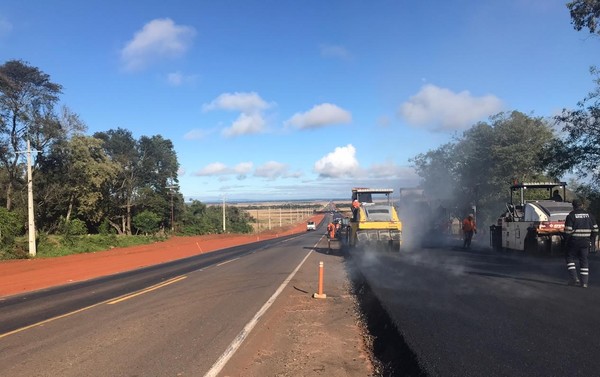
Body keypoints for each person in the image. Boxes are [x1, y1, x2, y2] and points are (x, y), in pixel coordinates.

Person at [563, 199, 598, 288]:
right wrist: (591, 240)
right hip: (585, 242)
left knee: (569, 257)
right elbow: (595, 230)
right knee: (584, 260)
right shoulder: (590, 215)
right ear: (582, 205)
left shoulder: (571, 216)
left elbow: (567, 231)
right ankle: (584, 283)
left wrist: (566, 241)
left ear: (573, 206)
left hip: (574, 241)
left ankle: (574, 278)